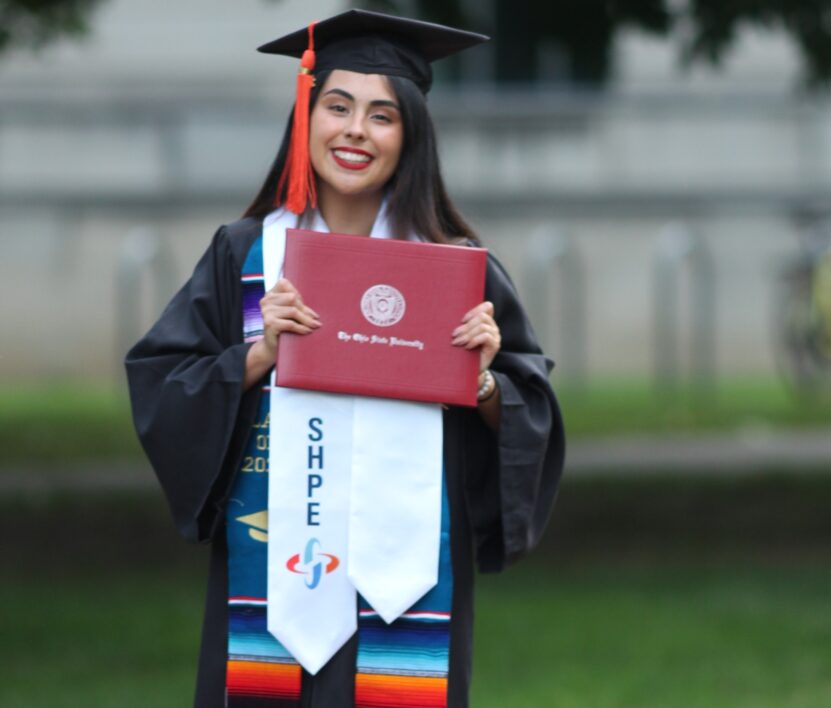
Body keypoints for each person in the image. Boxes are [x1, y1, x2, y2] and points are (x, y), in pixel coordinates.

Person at [126, 9, 564, 708]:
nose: (356, 130)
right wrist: (260, 352)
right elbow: (162, 383)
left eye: (382, 115)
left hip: (404, 591)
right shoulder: (245, 258)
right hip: (270, 588)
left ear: (409, 136)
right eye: (337, 106)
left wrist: (480, 380)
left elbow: (527, 405)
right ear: (307, 119)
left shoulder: (454, 270)